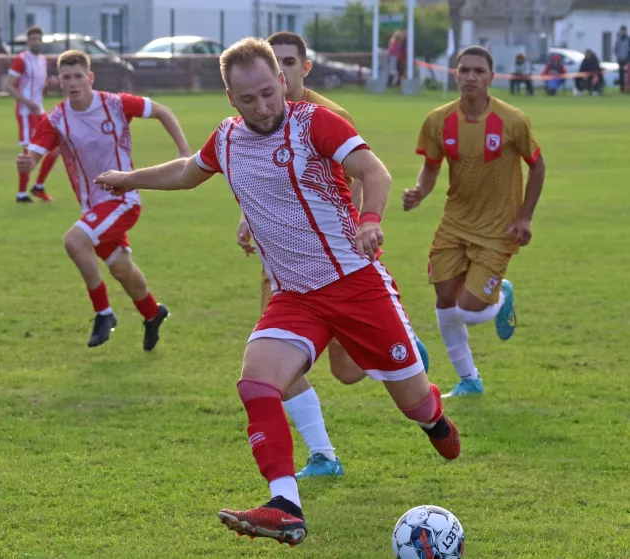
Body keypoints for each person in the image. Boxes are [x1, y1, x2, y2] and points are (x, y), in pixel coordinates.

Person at [94, 37, 460, 546]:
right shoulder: (225, 140)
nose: (263, 107)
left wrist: (371, 220)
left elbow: (372, 171)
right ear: (231, 99)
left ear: (283, 81)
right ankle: (285, 503)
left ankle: (434, 416)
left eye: (270, 92)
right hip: (295, 295)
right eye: (249, 100)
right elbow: (186, 171)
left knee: (414, 403)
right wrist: (129, 178)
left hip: (357, 286)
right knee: (257, 381)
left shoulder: (314, 123)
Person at [235, 31, 430, 480]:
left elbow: (355, 179)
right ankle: (322, 453)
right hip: (283, 272)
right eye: (272, 61)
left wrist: (365, 222)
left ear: (303, 68)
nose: (278, 70)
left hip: (337, 266)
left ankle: (399, 346)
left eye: (287, 62)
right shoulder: (254, 119)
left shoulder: (325, 116)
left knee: (344, 371)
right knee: (271, 367)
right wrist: (250, 220)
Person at [16, 50, 190, 350]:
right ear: (59, 81)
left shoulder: (116, 104)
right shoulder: (57, 118)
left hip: (123, 199)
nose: (73, 82)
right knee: (121, 268)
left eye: (78, 76)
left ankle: (103, 313)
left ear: (90, 77)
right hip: (94, 207)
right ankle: (152, 313)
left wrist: (184, 152)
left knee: (74, 241)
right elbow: (36, 152)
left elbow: (163, 111)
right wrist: (28, 162)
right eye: (66, 77)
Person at [404, 45, 546, 397]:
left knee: (468, 310)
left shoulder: (512, 120)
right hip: (455, 224)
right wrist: (421, 191)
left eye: (478, 71)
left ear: (490, 77)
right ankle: (469, 379)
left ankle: (502, 296)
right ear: (455, 74)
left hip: (499, 230)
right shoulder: (439, 120)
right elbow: (432, 166)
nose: (470, 76)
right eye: (463, 70)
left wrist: (525, 217)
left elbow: (538, 165)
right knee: (444, 301)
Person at [7, 25, 57, 203]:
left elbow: (39, 88)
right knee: (29, 154)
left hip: (39, 111)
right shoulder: (21, 60)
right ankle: (21, 194)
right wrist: (27, 103)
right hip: (26, 113)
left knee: (57, 147)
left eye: (38, 39)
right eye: (33, 39)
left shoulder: (43, 60)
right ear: (27, 41)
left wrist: (50, 84)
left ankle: (38, 186)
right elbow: (9, 85)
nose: (36, 42)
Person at [615, 25, 629, 93]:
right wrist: (618, 57)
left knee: (627, 75)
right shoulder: (619, 40)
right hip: (620, 60)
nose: (623, 32)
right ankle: (622, 88)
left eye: (624, 31)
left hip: (627, 60)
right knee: (621, 74)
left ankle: (627, 88)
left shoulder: (628, 40)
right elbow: (616, 49)